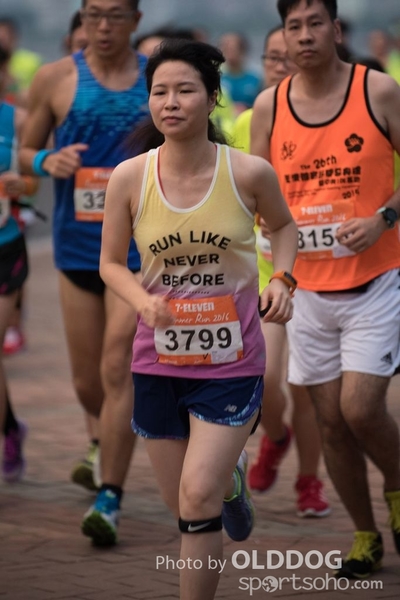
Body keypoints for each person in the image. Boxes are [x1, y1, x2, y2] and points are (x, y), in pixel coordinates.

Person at [100, 38, 298, 599]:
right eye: (159, 91)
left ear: (211, 98)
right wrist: (142, 302)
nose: (171, 102)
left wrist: (282, 279)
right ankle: (232, 483)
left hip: (232, 361)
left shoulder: (248, 173)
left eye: (185, 90)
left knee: (196, 497)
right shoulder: (129, 178)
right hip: (158, 360)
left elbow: (285, 227)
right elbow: (110, 264)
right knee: (183, 505)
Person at [251, 0, 400, 580]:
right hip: (306, 290)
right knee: (331, 422)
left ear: (335, 29)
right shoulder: (269, 106)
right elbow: (256, 192)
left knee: (360, 408)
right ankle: (365, 535)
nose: (305, 35)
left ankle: (396, 487)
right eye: (294, 26)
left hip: (377, 280)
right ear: (284, 37)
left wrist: (382, 220)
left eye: (316, 23)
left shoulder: (378, 90)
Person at [19, 0, 149, 546]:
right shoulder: (55, 79)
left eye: (115, 15)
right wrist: (45, 162)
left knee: (118, 368)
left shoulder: (155, 79)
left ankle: (110, 495)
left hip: (137, 254)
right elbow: (24, 152)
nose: (103, 25)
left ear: (135, 19)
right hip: (77, 251)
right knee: (87, 382)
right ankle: (109, 438)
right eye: (94, 14)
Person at [234, 26, 330, 518]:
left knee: (306, 387)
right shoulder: (245, 122)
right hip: (265, 273)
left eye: (285, 58)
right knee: (267, 377)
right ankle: (274, 436)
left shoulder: (329, 117)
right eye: (270, 58)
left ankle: (310, 481)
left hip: (327, 275)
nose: (278, 66)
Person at [0, 43, 39, 481]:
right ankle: (10, 426)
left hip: (5, 246)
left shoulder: (19, 119)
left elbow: (35, 181)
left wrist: (21, 184)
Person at [0, 17, 42, 105]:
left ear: (14, 38)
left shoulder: (32, 61)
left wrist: (12, 85)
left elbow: (38, 95)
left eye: (3, 39)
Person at [219, 32, 263, 115]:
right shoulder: (217, 79)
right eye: (225, 48)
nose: (228, 53)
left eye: (232, 49)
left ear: (243, 50)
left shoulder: (256, 79)